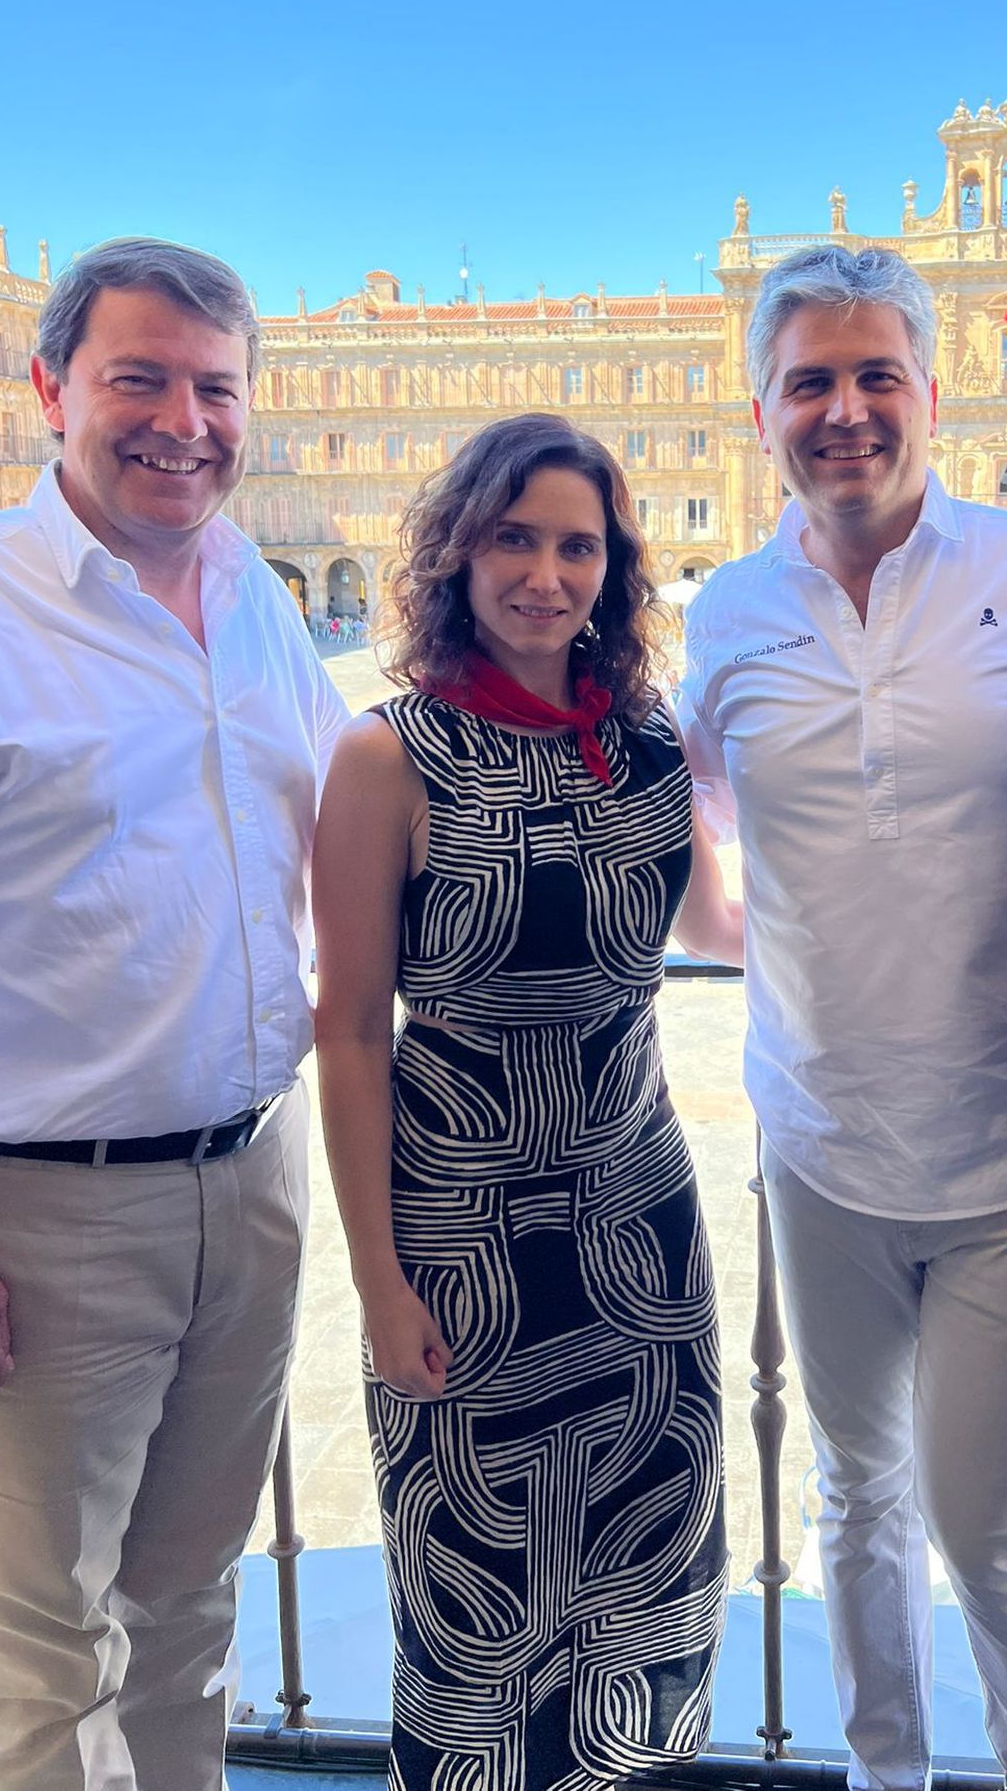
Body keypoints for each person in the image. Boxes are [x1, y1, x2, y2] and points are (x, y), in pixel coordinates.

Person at [678, 245, 1007, 1791]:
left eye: (879, 376)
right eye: (812, 380)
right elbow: (693, 839)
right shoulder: (730, 612)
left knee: (994, 1517)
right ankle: (886, 1773)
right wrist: (780, 956)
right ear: (762, 410)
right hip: (817, 1137)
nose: (847, 410)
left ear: (935, 391)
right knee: (852, 1495)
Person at [0, 238, 348, 1791]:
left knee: (187, 1616)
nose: (184, 419)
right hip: (39, 1212)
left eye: (216, 387)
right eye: (139, 378)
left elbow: (365, 811)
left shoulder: (256, 598)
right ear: (49, 389)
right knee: (36, 1648)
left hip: (251, 1177)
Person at [313, 412, 739, 1791]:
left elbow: (728, 921)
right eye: (515, 538)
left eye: (578, 546)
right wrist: (380, 1283)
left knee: (655, 1580)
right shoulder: (390, 756)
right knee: (474, 1599)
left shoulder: (647, 742)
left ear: (614, 571)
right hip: (466, 1234)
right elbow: (353, 1033)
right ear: (459, 550)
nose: (546, 574)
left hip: (641, 1232)